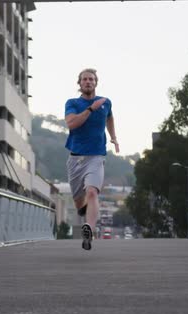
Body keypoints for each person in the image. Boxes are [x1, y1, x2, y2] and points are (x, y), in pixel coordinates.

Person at [64, 68, 119, 250]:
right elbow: (72, 124)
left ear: (96, 83)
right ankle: (83, 210)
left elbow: (109, 118)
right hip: (76, 159)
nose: (88, 82)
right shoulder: (72, 103)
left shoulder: (105, 103)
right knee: (79, 202)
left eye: (91, 79)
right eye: (85, 79)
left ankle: (89, 230)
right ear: (79, 84)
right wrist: (90, 109)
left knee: (92, 192)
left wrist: (113, 137)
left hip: (96, 156)